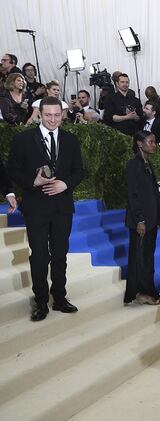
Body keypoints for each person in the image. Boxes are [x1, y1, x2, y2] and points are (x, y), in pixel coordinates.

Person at [5, 96, 86, 321]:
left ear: (62, 114)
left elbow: (79, 170)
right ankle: (41, 301)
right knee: (39, 256)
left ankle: (60, 297)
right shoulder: (23, 139)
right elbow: (12, 170)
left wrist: (65, 184)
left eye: (57, 115)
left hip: (62, 207)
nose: (52, 119)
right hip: (36, 207)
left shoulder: (71, 140)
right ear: (40, 114)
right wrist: (34, 181)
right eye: (48, 115)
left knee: (60, 255)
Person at [124, 130, 160, 306]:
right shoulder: (133, 165)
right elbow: (133, 195)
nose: (154, 145)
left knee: (147, 257)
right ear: (139, 144)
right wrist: (140, 219)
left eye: (154, 141)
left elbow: (148, 192)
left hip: (152, 219)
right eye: (150, 142)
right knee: (140, 258)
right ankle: (142, 293)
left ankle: (147, 291)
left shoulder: (147, 164)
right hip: (140, 221)